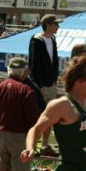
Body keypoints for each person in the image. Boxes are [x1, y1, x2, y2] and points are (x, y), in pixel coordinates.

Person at [28, 14, 61, 156]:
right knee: (37, 116)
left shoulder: (52, 39)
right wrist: (38, 85)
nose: (58, 27)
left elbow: (54, 61)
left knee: (50, 115)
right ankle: (32, 145)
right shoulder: (37, 40)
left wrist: (54, 78)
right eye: (56, 24)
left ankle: (45, 145)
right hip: (40, 85)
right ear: (48, 25)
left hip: (51, 83)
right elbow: (34, 64)